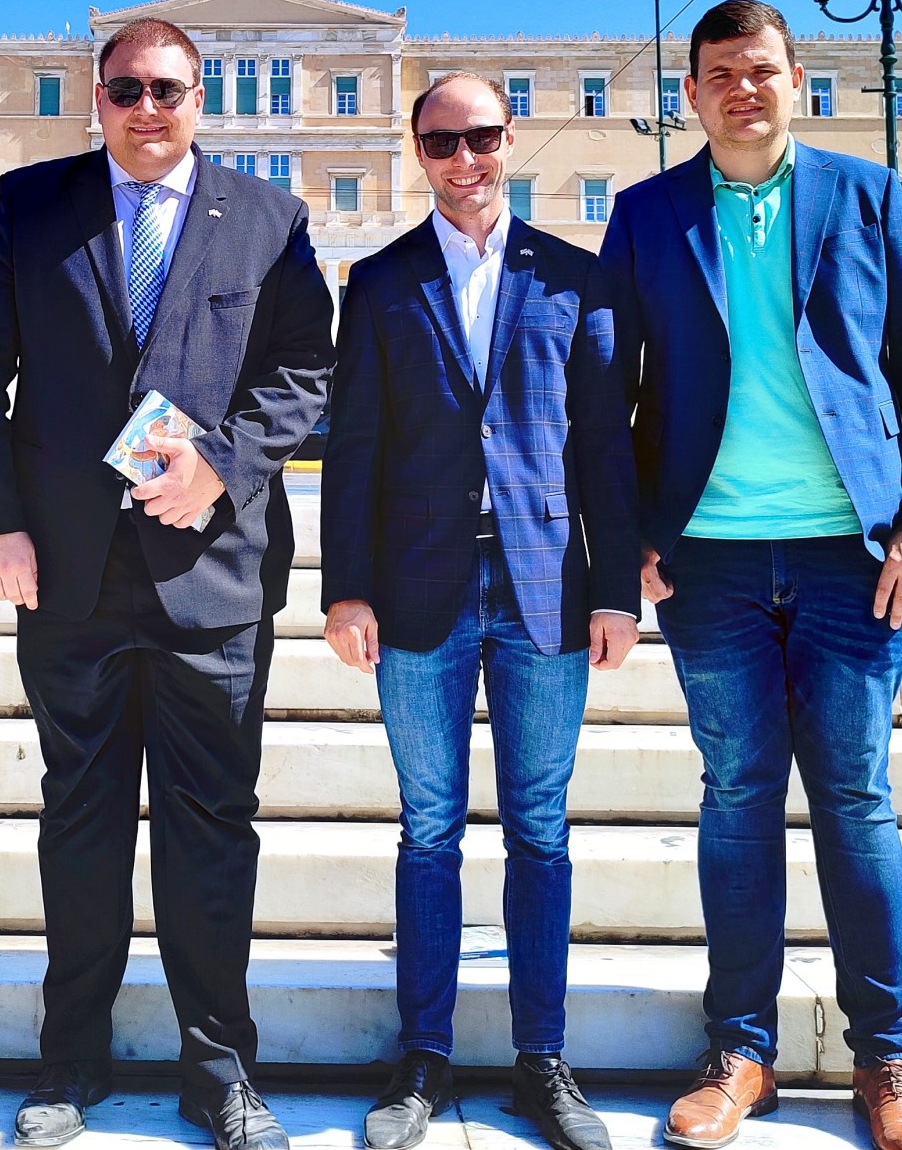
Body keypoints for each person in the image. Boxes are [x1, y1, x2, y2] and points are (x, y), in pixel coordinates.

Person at [0, 18, 333, 1150]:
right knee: (80, 821)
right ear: (96, 97)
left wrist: (227, 461)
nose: (146, 108)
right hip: (65, 575)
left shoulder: (268, 220)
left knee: (213, 828)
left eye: (167, 88)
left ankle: (219, 1067)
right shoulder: (31, 206)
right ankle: (72, 1056)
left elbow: (305, 370)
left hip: (210, 579)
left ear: (200, 96)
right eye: (125, 89)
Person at [599, 0, 902, 1150]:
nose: (741, 90)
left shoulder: (867, 195)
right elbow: (605, 382)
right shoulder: (649, 213)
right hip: (707, 561)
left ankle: (888, 1061)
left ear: (799, 78)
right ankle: (739, 1050)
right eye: (719, 74)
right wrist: (626, 535)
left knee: (854, 799)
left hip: (852, 556)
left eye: (760, 70)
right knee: (741, 797)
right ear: (693, 94)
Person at [321, 73, 639, 1150]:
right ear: (418, 151)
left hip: (546, 589)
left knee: (540, 829)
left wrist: (614, 591)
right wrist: (344, 586)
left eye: (484, 138)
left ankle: (542, 1058)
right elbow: (353, 445)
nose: (466, 159)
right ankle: (425, 1054)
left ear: (511, 142)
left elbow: (604, 446)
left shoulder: (579, 279)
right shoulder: (379, 281)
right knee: (428, 829)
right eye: (444, 142)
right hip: (418, 590)